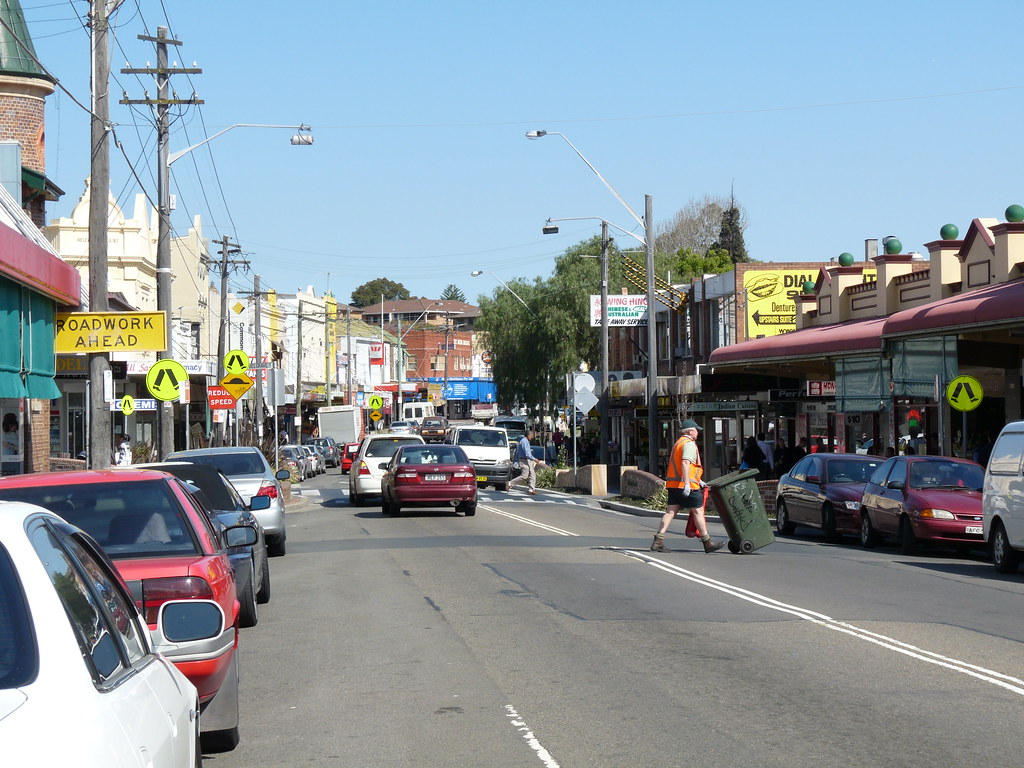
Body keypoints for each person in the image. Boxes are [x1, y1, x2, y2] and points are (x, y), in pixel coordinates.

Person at [651, 420, 724, 554]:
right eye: (696, 430)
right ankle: (707, 542)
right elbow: (685, 464)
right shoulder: (689, 444)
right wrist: (687, 483)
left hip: (673, 484)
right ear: (691, 431)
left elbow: (684, 467)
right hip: (686, 486)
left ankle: (658, 540)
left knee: (670, 512)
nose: (698, 432)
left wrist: (699, 480)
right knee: (698, 512)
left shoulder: (678, 443)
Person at [508, 429, 538, 495]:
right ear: (528, 435)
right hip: (524, 460)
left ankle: (531, 489)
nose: (532, 437)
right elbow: (527, 453)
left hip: (527, 460)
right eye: (531, 435)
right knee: (524, 476)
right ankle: (510, 483)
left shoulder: (526, 441)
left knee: (532, 474)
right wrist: (534, 459)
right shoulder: (524, 441)